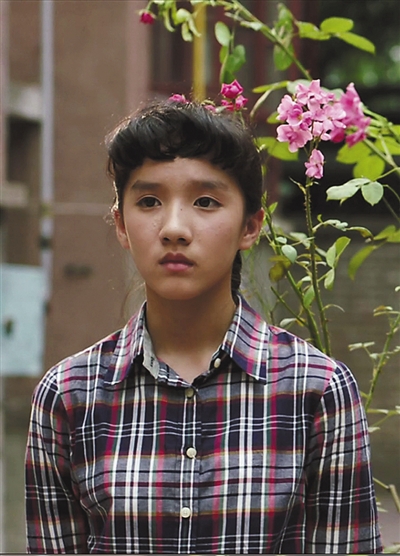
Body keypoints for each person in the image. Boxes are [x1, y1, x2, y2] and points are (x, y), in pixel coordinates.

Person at [25, 100, 382, 554]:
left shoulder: (318, 390)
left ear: (250, 226)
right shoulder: (68, 395)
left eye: (206, 202)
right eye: (149, 201)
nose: (174, 228)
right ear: (121, 224)